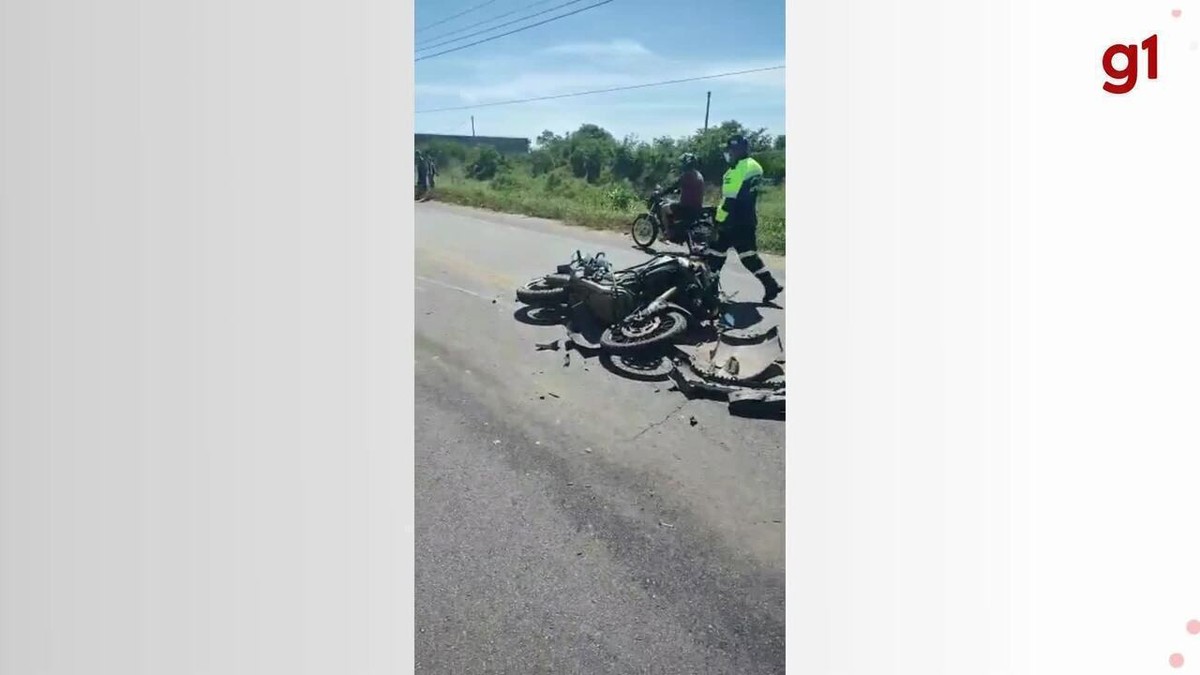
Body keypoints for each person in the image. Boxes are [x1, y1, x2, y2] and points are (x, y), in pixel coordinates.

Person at [705, 135, 784, 303]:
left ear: (740, 150)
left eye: (731, 150)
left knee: (722, 255)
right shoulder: (741, 168)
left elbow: (733, 199)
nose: (728, 153)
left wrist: (719, 222)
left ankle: (709, 293)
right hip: (741, 220)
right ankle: (770, 285)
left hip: (735, 221)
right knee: (740, 256)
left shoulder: (746, 168)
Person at [658, 153, 705, 242]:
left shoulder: (686, 175)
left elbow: (674, 186)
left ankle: (668, 233)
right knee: (671, 203)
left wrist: (662, 192)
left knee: (664, 208)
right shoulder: (698, 175)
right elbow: (689, 188)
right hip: (697, 206)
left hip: (686, 207)